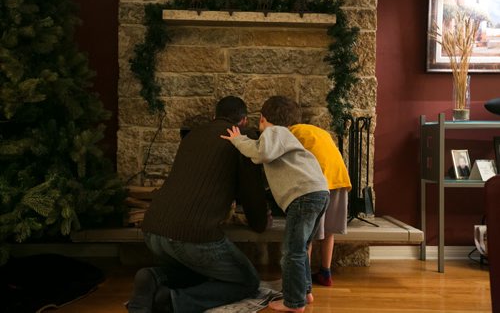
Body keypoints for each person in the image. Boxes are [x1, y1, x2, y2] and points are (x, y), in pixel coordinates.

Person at [128, 96, 269, 313]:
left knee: (201, 270)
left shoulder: (192, 135)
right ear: (243, 121)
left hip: (153, 229)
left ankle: (154, 277)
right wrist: (260, 222)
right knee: (247, 281)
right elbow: (252, 192)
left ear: (214, 117)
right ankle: (174, 301)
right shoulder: (243, 138)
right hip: (192, 236)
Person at [221, 96, 329, 312]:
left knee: (291, 251)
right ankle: (305, 292)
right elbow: (265, 153)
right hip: (318, 192)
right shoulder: (286, 136)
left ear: (262, 119)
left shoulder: (273, 132)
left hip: (303, 196)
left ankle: (294, 302)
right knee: (301, 248)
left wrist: (237, 140)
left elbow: (261, 153)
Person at [268, 96, 351, 286]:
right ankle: (326, 272)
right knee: (329, 232)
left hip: (319, 183)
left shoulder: (288, 135)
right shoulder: (317, 131)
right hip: (339, 179)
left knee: (307, 234)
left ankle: (303, 279)